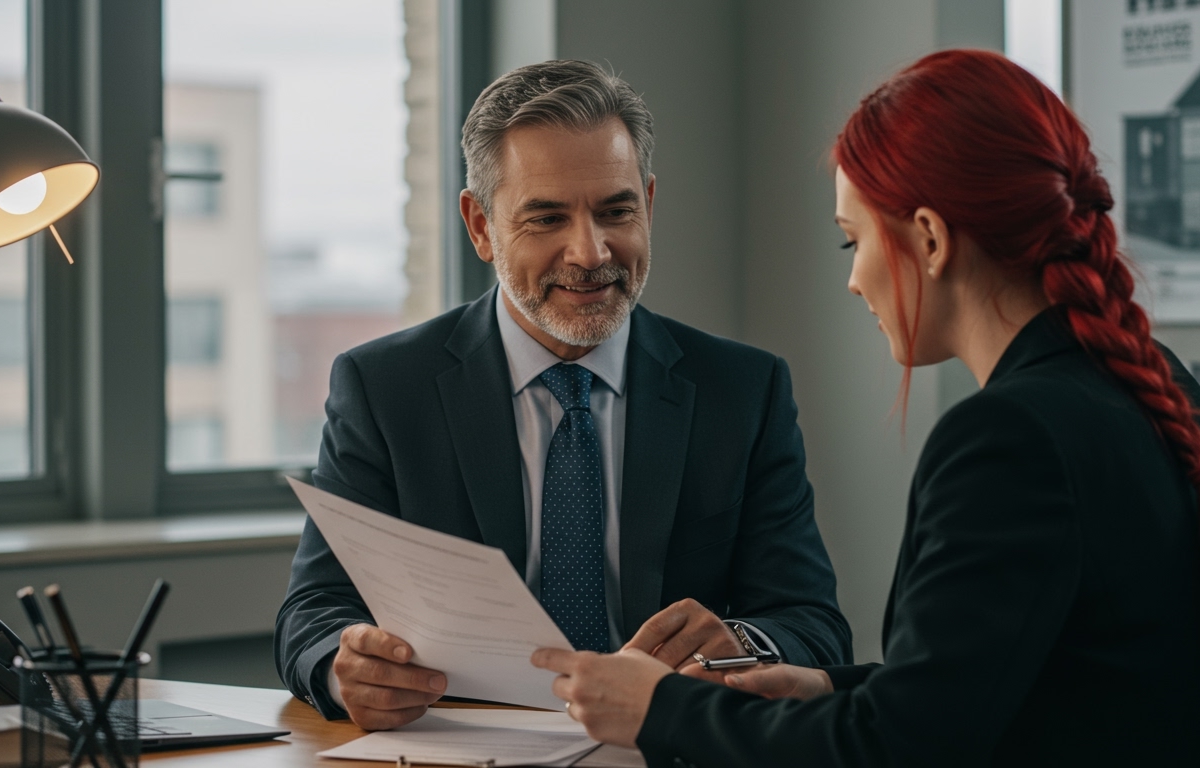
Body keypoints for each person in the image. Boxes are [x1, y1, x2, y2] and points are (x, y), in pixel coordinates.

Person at [531, 50, 1200, 767]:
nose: (854, 281)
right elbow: (1017, 687)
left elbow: (896, 748)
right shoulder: (1156, 381)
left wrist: (660, 710)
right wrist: (824, 688)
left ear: (931, 238)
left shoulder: (1008, 439)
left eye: (853, 241)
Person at [274, 59, 852, 729]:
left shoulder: (743, 391)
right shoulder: (383, 389)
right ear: (481, 226)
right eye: (546, 219)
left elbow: (814, 625)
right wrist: (345, 670)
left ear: (650, 206)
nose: (590, 251)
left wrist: (740, 647)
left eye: (616, 211)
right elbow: (313, 612)